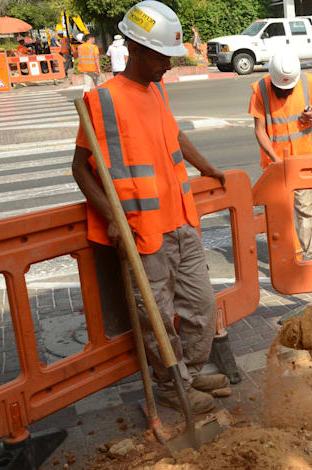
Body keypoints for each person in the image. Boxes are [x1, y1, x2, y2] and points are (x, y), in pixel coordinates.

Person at [71, 0, 229, 414]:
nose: (168, 66)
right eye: (162, 57)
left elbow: (174, 139)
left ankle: (190, 374)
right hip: (143, 230)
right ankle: (171, 386)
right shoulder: (101, 103)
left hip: (181, 220)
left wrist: (208, 167)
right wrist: (114, 219)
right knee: (156, 318)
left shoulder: (157, 90)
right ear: (135, 49)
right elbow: (79, 168)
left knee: (201, 306)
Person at [248, 49, 312, 260]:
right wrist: (276, 161)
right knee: (279, 214)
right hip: (275, 166)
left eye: (289, 87)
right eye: (281, 88)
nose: (285, 92)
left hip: (302, 162)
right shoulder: (260, 89)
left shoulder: (308, 82)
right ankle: (286, 258)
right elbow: (259, 130)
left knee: (306, 211)